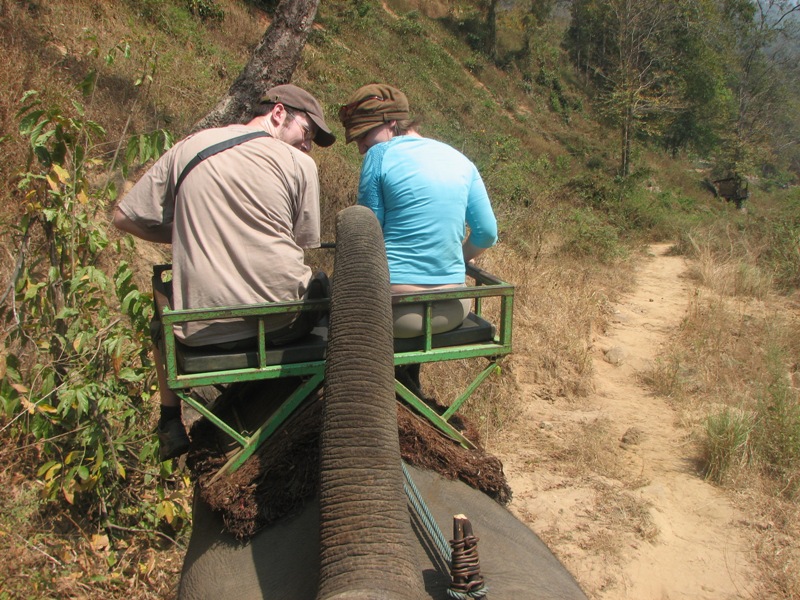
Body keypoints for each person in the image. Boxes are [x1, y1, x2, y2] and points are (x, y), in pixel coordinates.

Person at [113, 84, 335, 461]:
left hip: (197, 331)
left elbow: (124, 217)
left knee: (162, 298)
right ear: (278, 114)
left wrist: (190, 230)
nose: (308, 146)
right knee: (324, 286)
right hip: (281, 324)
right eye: (307, 133)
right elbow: (300, 240)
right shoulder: (300, 165)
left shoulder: (190, 146)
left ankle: (169, 419)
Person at [338, 83, 497, 394]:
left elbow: (367, 234)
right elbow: (488, 233)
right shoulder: (461, 161)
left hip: (393, 313)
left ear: (391, 123)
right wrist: (459, 257)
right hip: (453, 310)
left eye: (364, 136)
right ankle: (411, 392)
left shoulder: (380, 155)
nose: (360, 148)